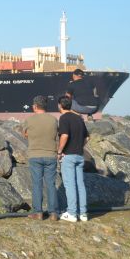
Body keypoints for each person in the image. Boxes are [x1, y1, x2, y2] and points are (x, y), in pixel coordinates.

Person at [22, 95, 59, 221]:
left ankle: (38, 212)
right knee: (51, 184)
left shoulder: (29, 120)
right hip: (51, 155)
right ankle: (53, 213)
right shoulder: (54, 119)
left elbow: (25, 134)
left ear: (35, 106)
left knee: (37, 184)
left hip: (35, 155)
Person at [57, 95, 90, 223]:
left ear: (60, 105)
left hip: (68, 156)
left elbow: (64, 135)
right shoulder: (79, 118)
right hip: (79, 155)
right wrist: (79, 146)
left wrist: (60, 151)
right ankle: (83, 213)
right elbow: (87, 137)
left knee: (69, 185)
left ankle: (71, 213)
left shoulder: (64, 118)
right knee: (80, 185)